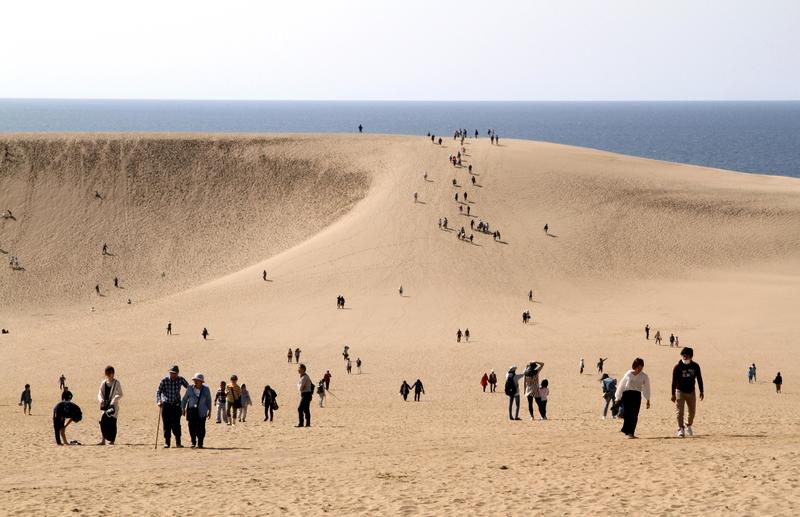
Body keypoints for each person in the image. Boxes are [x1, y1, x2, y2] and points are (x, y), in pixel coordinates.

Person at [671, 347, 704, 438]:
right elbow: (674, 381)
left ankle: (688, 425)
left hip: (691, 392)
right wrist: (673, 394)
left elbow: (699, 378)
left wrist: (701, 391)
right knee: (679, 412)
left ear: (691, 357)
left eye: (687, 356)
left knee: (692, 411)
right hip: (680, 391)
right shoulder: (677, 367)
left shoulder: (695, 366)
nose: (685, 357)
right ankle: (680, 429)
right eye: (683, 356)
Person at [614, 358, 651, 439]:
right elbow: (621, 385)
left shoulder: (644, 376)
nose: (639, 369)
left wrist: (648, 399)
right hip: (627, 395)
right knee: (627, 414)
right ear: (635, 366)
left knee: (634, 414)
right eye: (638, 367)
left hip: (636, 396)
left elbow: (647, 388)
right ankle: (627, 431)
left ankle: (631, 433)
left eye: (641, 367)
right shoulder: (628, 374)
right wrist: (617, 397)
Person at [156, 365, 189, 448]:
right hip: (166, 405)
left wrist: (187, 398)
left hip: (176, 405)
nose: (173, 375)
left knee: (176, 424)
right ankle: (167, 442)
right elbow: (158, 391)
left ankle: (178, 442)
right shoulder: (164, 380)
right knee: (166, 424)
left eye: (174, 373)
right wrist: (159, 400)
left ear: (177, 373)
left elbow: (189, 388)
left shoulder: (180, 379)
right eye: (171, 373)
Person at [181, 373, 212, 448]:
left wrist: (210, 411)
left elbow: (208, 400)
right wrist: (183, 408)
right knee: (191, 427)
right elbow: (184, 399)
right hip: (191, 412)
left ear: (201, 382)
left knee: (201, 428)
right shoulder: (189, 388)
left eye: (197, 380)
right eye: (195, 380)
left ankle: (200, 443)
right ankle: (193, 442)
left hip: (202, 412)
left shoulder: (206, 389)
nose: (195, 381)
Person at [97, 366, 123, 445]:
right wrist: (101, 400)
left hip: (113, 406)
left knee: (112, 422)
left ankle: (112, 441)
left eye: (111, 373)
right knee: (103, 422)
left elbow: (120, 394)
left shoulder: (116, 383)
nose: (109, 375)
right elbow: (100, 393)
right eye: (108, 373)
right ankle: (103, 440)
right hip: (105, 406)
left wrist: (114, 400)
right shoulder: (104, 383)